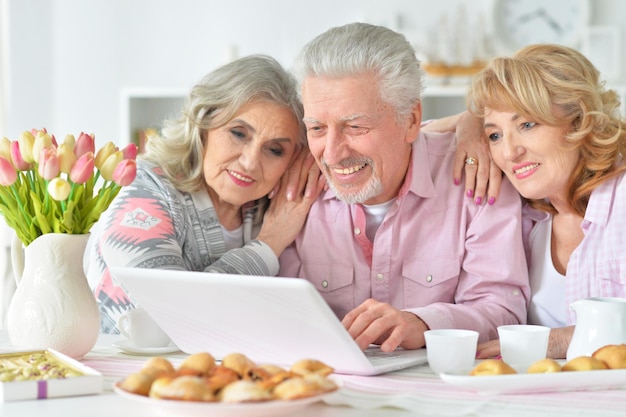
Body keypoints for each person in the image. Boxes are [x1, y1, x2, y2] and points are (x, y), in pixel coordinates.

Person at [278, 22, 530, 352]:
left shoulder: (477, 175)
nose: (332, 153)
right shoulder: (295, 183)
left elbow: (504, 311)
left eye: (355, 126)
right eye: (316, 128)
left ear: (411, 121)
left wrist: (423, 324)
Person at [85, 55, 324, 333]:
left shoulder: (269, 207)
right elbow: (167, 319)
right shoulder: (145, 190)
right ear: (203, 124)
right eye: (238, 133)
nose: (250, 162)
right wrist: (269, 245)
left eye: (274, 150)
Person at [459, 43, 626, 359]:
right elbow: (410, 137)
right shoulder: (523, 217)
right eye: (495, 135)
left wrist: (563, 341)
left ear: (579, 120)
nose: (509, 152)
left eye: (526, 125)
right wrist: (464, 127)